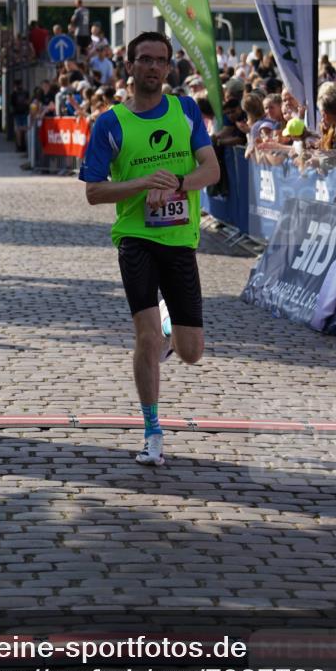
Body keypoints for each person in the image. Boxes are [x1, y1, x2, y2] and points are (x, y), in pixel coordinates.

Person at [80, 32, 219, 467]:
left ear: (169, 66)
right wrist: (145, 184)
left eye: (161, 60)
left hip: (180, 240)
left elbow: (210, 169)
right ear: (130, 65)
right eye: (145, 60)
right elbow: (95, 192)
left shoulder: (185, 109)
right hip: (135, 238)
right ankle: (152, 431)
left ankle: (166, 324)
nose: (154, 68)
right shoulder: (110, 123)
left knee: (192, 351)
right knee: (143, 340)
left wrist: (177, 184)